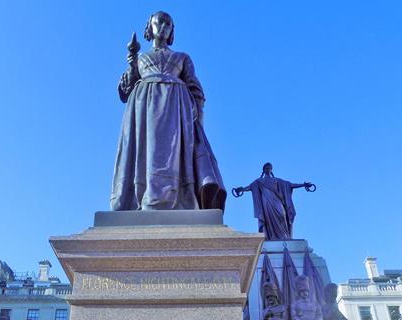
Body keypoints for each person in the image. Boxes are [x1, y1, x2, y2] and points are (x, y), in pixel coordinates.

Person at [110, 11, 226, 211]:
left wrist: (197, 116)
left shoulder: (182, 57)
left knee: (173, 155)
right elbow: (124, 91)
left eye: (168, 24)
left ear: (172, 30)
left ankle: (180, 198)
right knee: (147, 153)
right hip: (143, 109)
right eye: (159, 23)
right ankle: (140, 197)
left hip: (176, 109)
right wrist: (131, 64)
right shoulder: (140, 58)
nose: (163, 27)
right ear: (150, 27)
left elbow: (195, 88)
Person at [233, 163, 314, 240]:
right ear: (264, 170)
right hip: (266, 202)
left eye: (269, 168)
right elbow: (250, 187)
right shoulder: (259, 181)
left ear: (271, 170)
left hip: (277, 200)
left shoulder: (277, 180)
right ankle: (271, 237)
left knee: (282, 215)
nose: (268, 169)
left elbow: (290, 185)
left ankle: (284, 236)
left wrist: (303, 185)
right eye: (266, 168)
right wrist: (241, 189)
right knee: (268, 220)